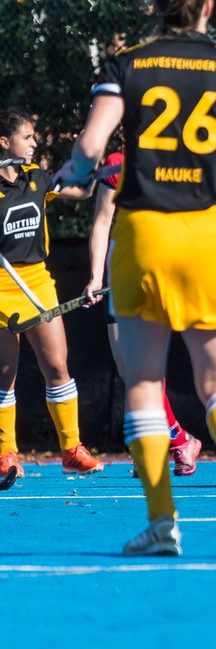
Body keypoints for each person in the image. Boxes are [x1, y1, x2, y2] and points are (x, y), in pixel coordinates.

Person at [60, 0, 216, 555]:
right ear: (210, 6)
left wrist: (73, 172)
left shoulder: (126, 66)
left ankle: (163, 522)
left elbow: (89, 149)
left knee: (143, 383)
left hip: (144, 235)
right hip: (212, 234)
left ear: (155, 5)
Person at [83, 151, 203, 476]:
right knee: (128, 368)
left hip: (160, 268)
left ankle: (159, 445)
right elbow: (102, 220)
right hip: (121, 268)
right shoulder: (117, 162)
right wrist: (95, 276)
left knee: (144, 367)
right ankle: (179, 439)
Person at [0, 109, 103, 481]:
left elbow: (83, 189)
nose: (33, 144)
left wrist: (95, 162)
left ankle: (72, 449)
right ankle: (5, 454)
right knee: (4, 374)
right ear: (4, 142)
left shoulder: (37, 178)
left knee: (57, 367)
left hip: (37, 284)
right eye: (27, 138)